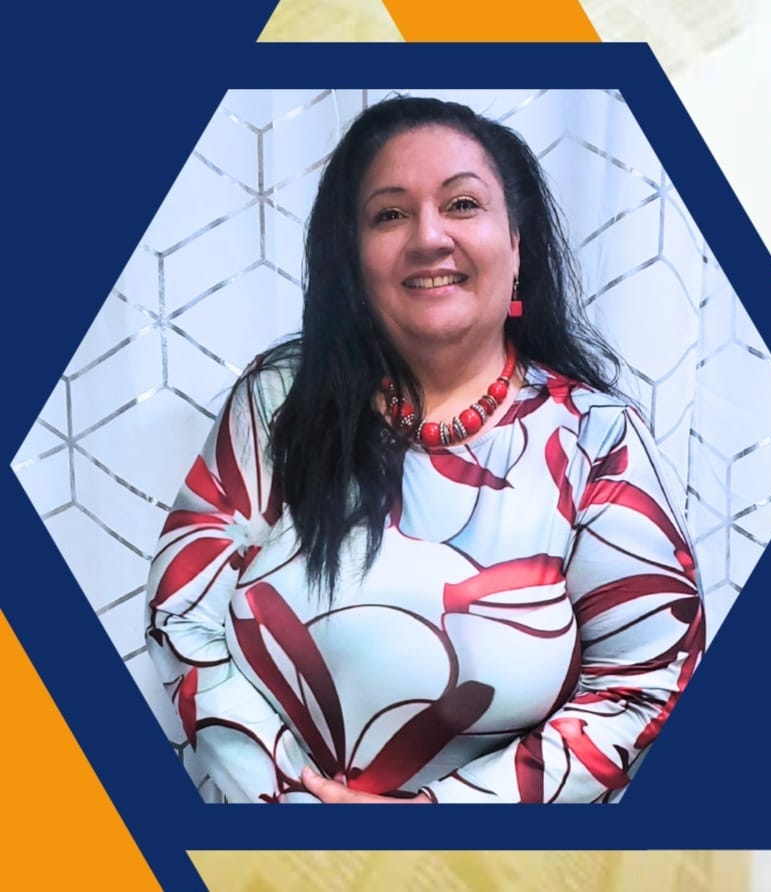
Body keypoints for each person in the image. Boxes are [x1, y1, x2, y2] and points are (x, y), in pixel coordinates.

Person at [145, 95, 704, 804]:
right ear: (354, 259)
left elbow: (645, 684)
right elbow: (182, 614)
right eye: (389, 214)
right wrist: (293, 808)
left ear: (516, 246)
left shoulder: (598, 439)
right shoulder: (279, 399)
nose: (429, 237)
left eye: (462, 204)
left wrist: (431, 824)